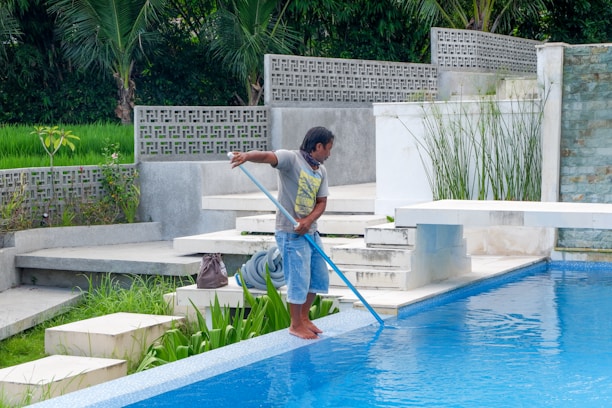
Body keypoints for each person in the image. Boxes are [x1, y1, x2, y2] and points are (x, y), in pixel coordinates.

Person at [230, 126, 335, 339]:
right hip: (290, 233)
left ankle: (304, 318)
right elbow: (269, 156)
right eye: (328, 149)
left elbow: (321, 202)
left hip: (311, 232)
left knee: (317, 276)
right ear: (318, 146)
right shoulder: (291, 159)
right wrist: (247, 156)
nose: (329, 154)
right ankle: (295, 325)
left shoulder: (320, 171)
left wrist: (308, 221)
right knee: (298, 278)